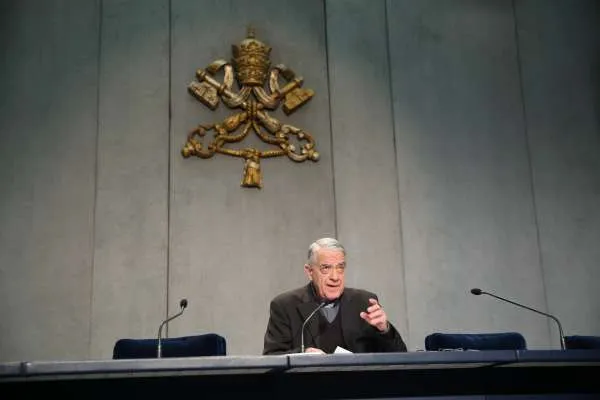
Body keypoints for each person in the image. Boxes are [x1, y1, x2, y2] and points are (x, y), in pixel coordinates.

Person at [262, 237, 407, 354]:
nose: (335, 277)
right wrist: (303, 355)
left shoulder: (364, 302)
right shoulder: (285, 305)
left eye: (340, 268)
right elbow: (271, 358)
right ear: (309, 271)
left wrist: (385, 329)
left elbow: (400, 357)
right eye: (326, 268)